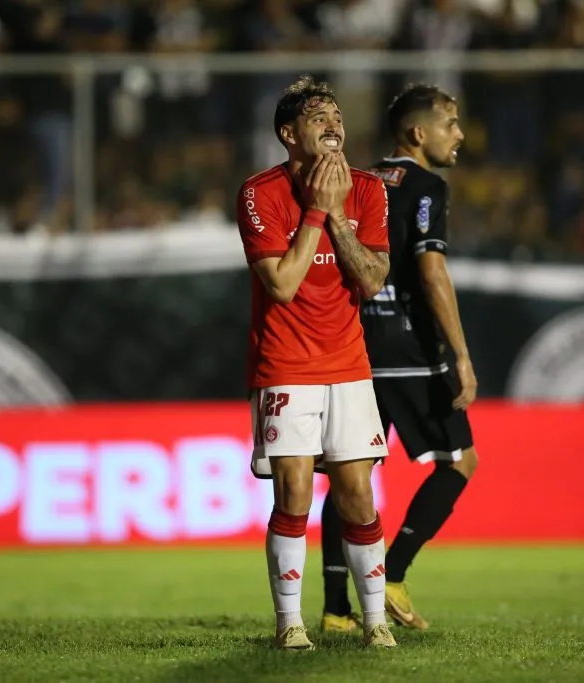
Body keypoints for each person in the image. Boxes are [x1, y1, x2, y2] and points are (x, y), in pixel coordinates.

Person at [236, 75, 396, 650]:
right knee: (295, 494)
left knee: (357, 495)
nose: (333, 123)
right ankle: (290, 624)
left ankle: (374, 620)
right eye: (316, 116)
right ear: (288, 133)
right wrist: (315, 213)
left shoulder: (369, 190)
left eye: (336, 115)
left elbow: (374, 279)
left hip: (349, 365)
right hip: (286, 365)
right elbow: (280, 283)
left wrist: (335, 216)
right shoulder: (260, 193)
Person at [319, 83, 479, 633]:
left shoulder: (357, 182)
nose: (459, 135)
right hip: (409, 348)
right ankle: (393, 574)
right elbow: (431, 270)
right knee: (459, 460)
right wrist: (460, 354)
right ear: (418, 133)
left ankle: (337, 609)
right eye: (450, 123)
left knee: (349, 473)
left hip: (353, 346)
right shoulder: (427, 186)